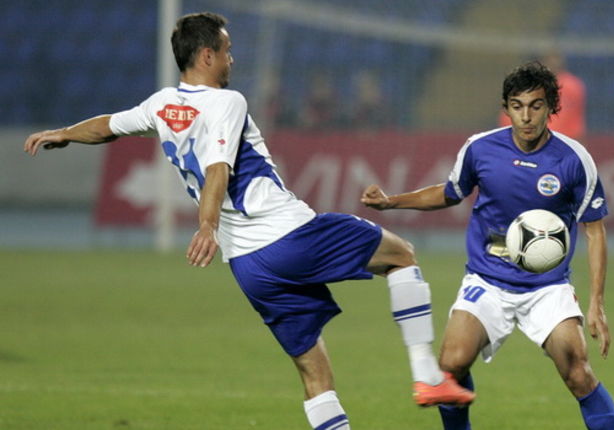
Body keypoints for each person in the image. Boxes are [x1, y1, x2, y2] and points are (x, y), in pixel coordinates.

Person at [23, 12, 474, 429]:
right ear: (206, 56)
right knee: (401, 255)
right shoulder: (227, 102)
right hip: (288, 233)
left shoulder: (161, 105)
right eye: (226, 49)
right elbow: (219, 166)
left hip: (251, 267)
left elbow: (107, 125)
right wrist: (206, 223)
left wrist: (65, 132)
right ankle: (425, 374)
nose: (231, 58)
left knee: (314, 375)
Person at [362, 61, 614, 429]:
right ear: (506, 107)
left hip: (547, 287)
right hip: (487, 281)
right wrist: (392, 201)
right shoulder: (480, 149)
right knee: (450, 366)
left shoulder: (574, 159)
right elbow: (450, 193)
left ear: (551, 107)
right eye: (517, 106)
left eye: (535, 105)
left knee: (578, 371)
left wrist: (597, 303)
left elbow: (595, 231)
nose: (526, 116)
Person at [497, 52, 586, 141]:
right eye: (549, 58)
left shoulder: (573, 86)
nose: (553, 62)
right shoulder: (523, 84)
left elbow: (576, 121)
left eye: (556, 58)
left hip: (561, 143)